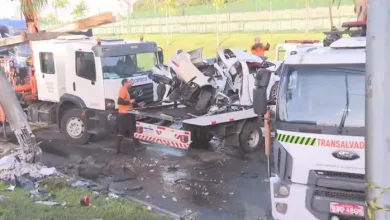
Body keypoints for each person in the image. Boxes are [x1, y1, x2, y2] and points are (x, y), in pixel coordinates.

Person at [115, 78, 145, 154]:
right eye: (129, 82)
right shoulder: (123, 90)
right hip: (125, 114)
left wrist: (137, 104)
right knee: (132, 130)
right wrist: (129, 101)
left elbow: (128, 103)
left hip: (124, 114)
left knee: (122, 132)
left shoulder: (126, 90)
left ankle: (117, 149)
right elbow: (119, 101)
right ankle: (138, 146)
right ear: (125, 83)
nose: (131, 83)